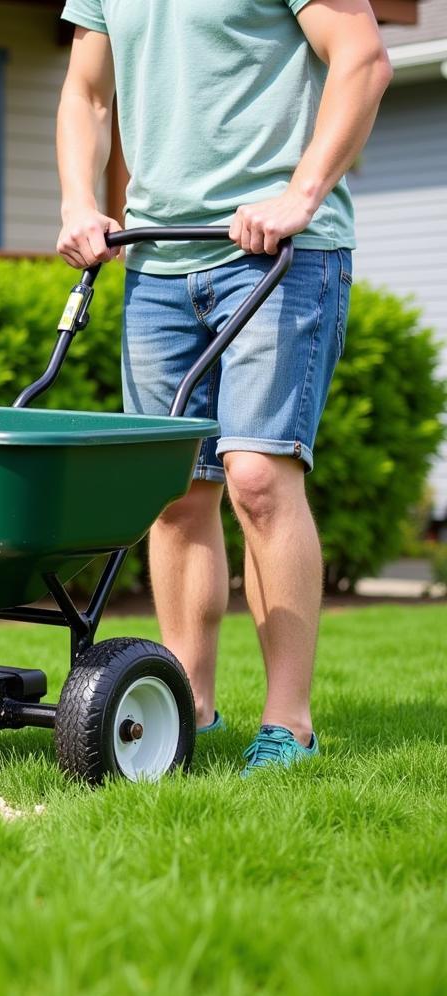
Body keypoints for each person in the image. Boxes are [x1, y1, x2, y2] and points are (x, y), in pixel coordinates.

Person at [56, 0, 392, 774]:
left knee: (259, 477)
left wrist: (301, 194)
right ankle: (186, 707)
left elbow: (364, 59)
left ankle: (289, 725)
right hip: (157, 256)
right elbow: (86, 91)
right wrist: (79, 201)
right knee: (173, 491)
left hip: (281, 253)